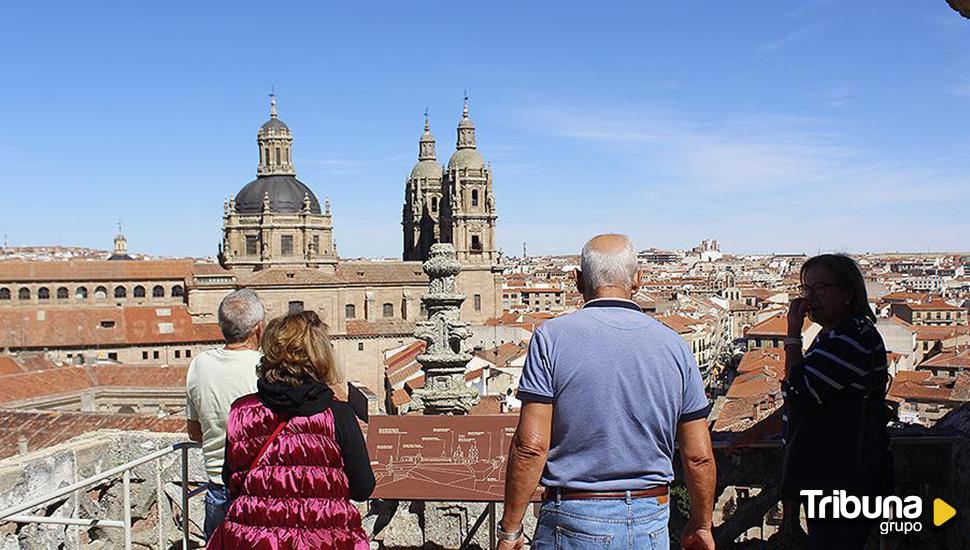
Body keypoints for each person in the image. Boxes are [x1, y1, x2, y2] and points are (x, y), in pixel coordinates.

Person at [499, 234, 717, 550]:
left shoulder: (551, 339)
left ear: (577, 281)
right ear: (638, 280)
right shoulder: (675, 347)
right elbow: (698, 456)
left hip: (572, 519)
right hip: (650, 522)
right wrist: (701, 525)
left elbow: (531, 446)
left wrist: (511, 529)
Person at [208, 310, 374, 549]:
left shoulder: (242, 412)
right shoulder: (340, 415)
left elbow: (230, 479)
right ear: (321, 356)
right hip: (324, 541)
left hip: (252, 541)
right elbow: (362, 488)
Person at [781, 254, 891, 549]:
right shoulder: (838, 335)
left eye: (820, 288)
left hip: (841, 473)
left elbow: (799, 393)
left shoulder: (850, 338)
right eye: (807, 289)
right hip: (837, 467)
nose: (810, 298)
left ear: (848, 294)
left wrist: (792, 336)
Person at [186, 288, 264, 541]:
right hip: (260, 487)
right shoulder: (266, 368)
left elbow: (194, 432)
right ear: (259, 328)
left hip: (217, 485)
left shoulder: (199, 365)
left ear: (221, 327)